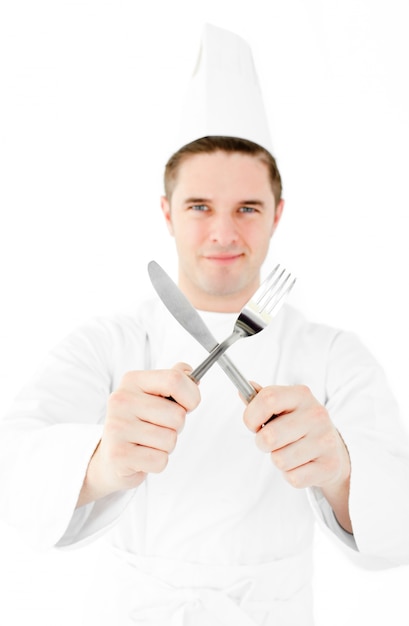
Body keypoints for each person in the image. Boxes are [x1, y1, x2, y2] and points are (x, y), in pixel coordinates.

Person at [1, 24, 409, 626]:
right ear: (166, 212)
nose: (223, 233)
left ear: (278, 215)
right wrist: (100, 461)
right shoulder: (106, 344)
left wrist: (344, 469)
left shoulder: (334, 356)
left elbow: (400, 525)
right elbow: (11, 479)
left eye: (247, 208)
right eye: (199, 207)